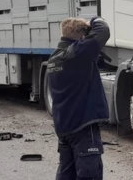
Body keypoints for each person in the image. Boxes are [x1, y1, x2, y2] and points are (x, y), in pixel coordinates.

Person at [47, 16, 111, 180]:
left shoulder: (53, 60)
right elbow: (103, 31)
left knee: (66, 173)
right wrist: (94, 20)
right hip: (83, 126)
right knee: (89, 174)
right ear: (81, 35)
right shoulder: (77, 54)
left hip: (64, 127)